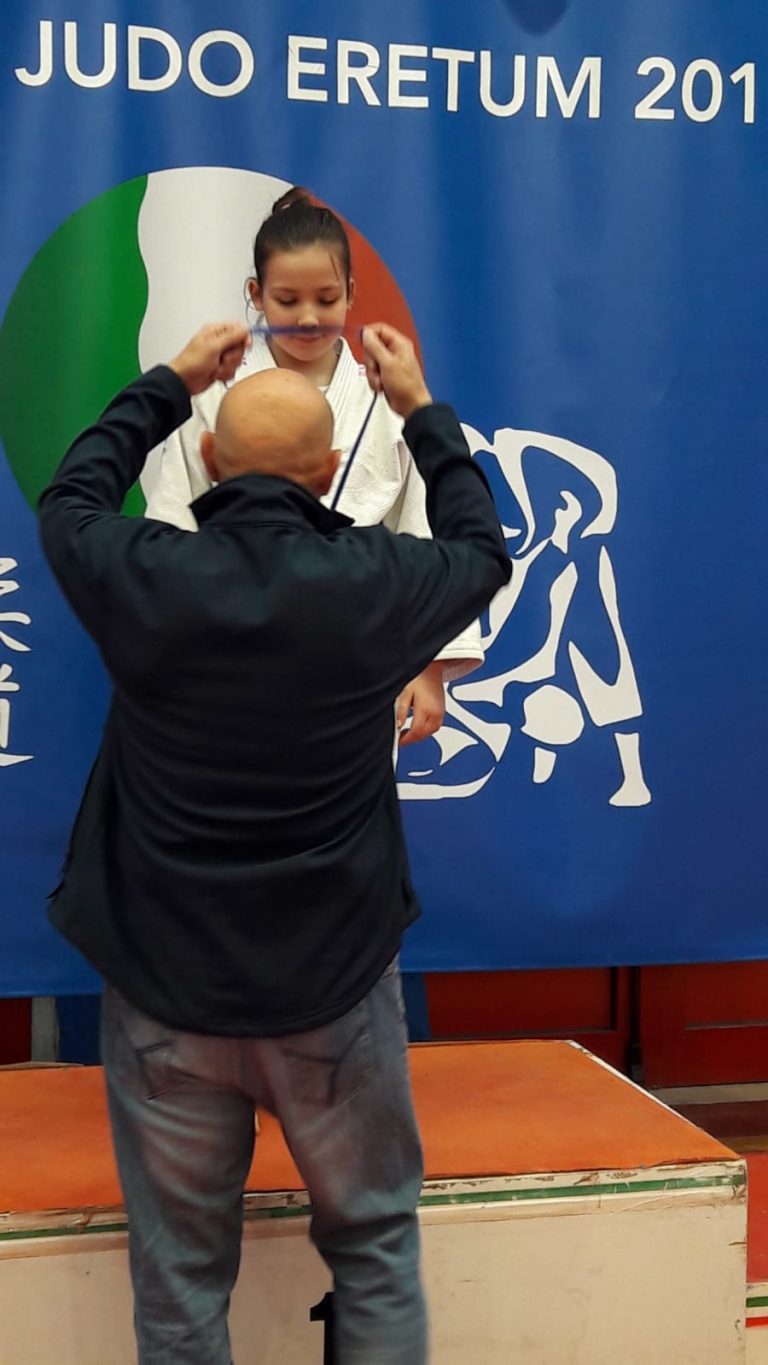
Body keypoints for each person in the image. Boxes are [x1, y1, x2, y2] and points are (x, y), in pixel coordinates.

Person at [38, 319, 511, 1365]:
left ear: (208, 459)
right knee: (375, 1250)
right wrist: (420, 410)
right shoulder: (377, 582)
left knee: (178, 1279)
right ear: (331, 471)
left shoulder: (141, 572)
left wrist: (168, 384)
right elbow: (483, 549)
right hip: (333, 984)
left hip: (164, 985)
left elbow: (70, 498)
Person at [145, 187, 483, 747]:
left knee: (348, 797)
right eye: (287, 300)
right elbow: (172, 524)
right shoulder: (216, 393)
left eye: (326, 300)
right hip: (229, 647)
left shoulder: (386, 397)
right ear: (256, 295)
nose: (307, 318)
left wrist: (430, 666)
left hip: (357, 658)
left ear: (351, 293)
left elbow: (430, 530)